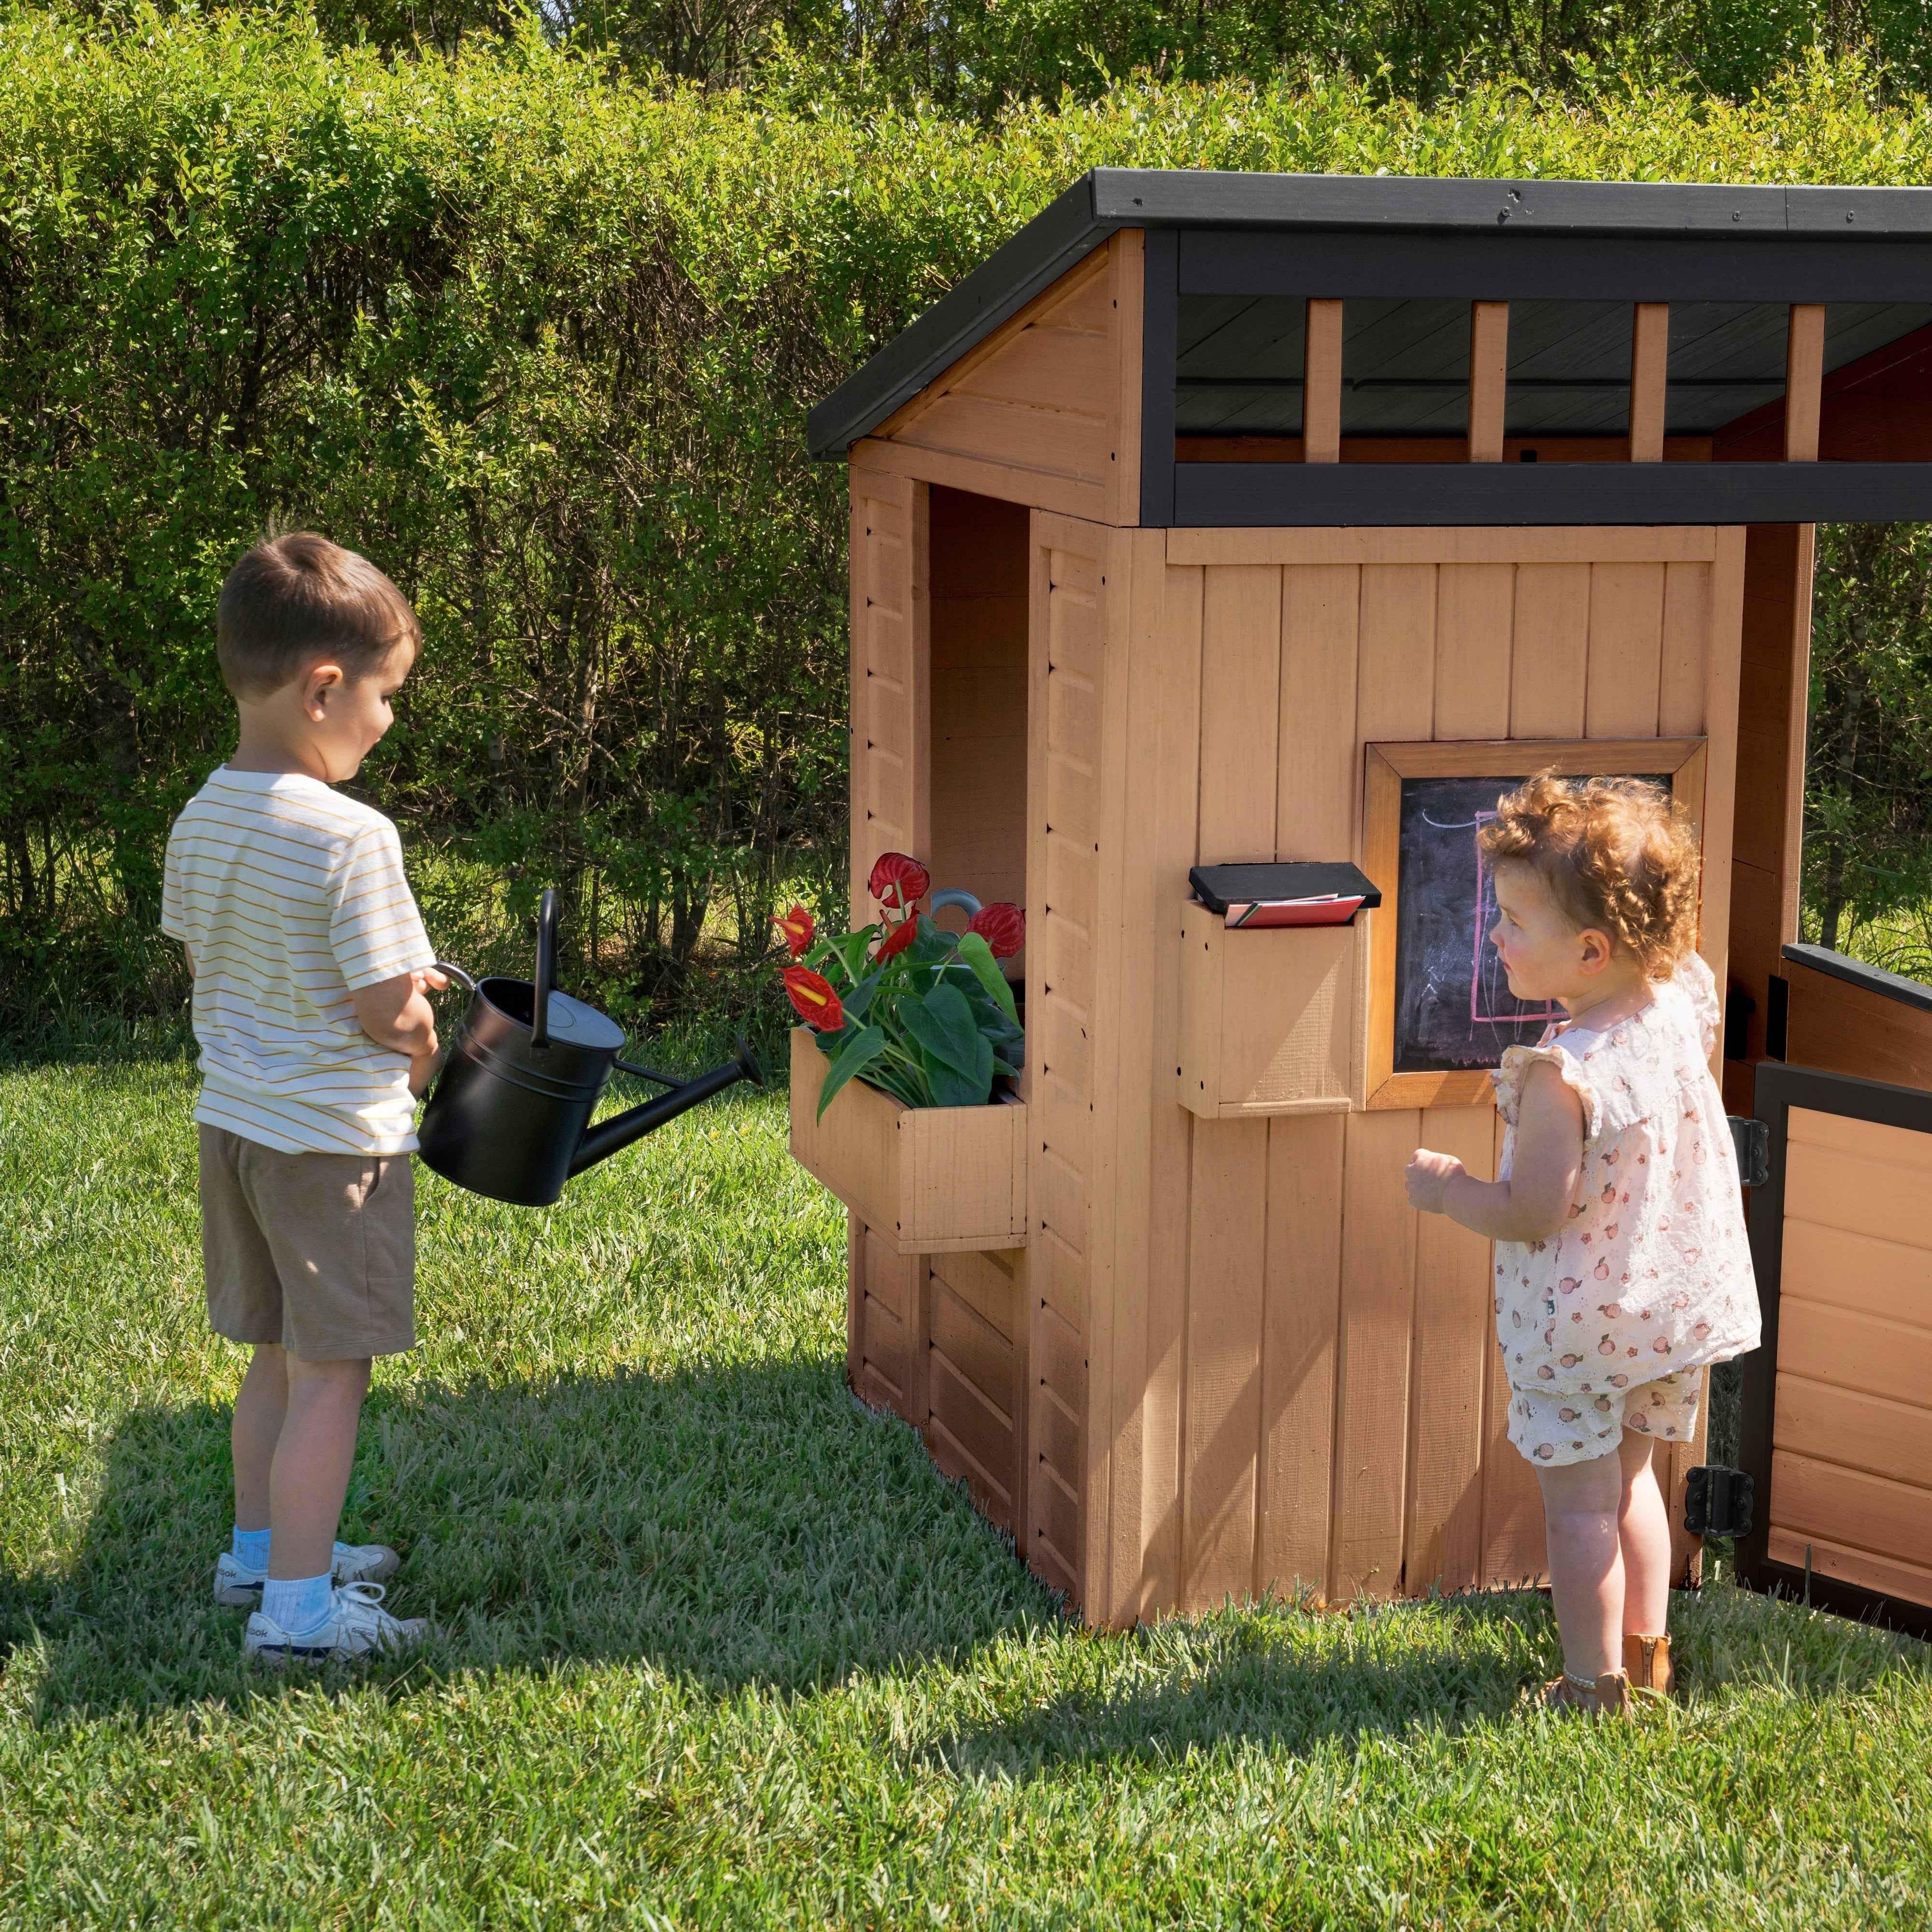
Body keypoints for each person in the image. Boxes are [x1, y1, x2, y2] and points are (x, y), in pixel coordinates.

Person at [1405, 771, 1759, 1717]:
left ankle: (1586, 1687)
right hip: (1662, 1307)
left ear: (1589, 948)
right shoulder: (1677, 1004)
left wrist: (1448, 1192)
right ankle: (1646, 1667)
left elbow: (1531, 1209)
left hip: (1576, 1326)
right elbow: (1686, 973)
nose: (1493, 935)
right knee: (1634, 1481)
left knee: (1576, 1505)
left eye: (1514, 921)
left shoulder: (1562, 1074)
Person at [161, 532, 444, 1666]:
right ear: (324, 687)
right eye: (384, 697)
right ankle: (300, 1614)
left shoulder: (202, 814)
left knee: (275, 1351)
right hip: (332, 1145)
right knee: (333, 1372)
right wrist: (425, 1043)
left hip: (234, 1125)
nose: (385, 722)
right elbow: (389, 1011)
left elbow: (230, 958)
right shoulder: (351, 835)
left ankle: (258, 1550)